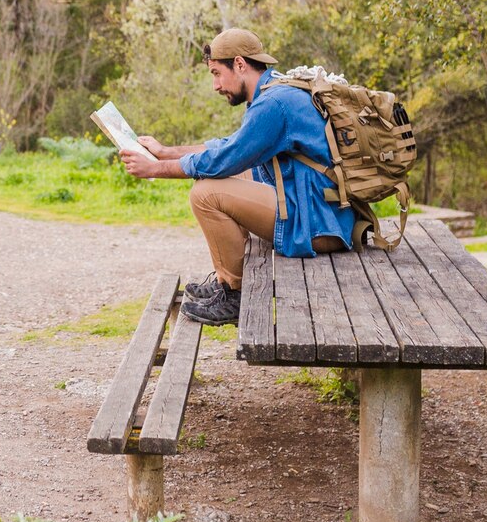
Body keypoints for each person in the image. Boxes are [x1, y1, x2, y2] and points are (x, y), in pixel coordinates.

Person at [119, 28, 354, 326]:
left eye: (218, 73)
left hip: (318, 223)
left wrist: (155, 169)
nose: (216, 85)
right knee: (231, 174)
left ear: (240, 64)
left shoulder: (273, 104)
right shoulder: (275, 91)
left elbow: (223, 160)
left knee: (205, 193)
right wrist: (165, 152)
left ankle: (234, 293)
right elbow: (230, 146)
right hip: (321, 210)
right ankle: (225, 282)